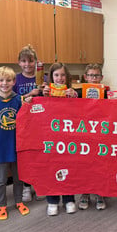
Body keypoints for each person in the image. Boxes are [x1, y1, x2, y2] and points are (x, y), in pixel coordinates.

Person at [0, 66, 30, 220]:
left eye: (8, 80)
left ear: (14, 82)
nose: (5, 83)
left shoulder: (20, 100)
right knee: (1, 181)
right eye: (1, 80)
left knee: (19, 179)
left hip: (18, 147)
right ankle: (2, 206)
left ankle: (19, 201)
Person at [43, 63, 77, 216]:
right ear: (51, 77)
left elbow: (83, 112)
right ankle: (52, 200)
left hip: (68, 136)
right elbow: (35, 108)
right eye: (56, 75)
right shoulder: (45, 91)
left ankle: (69, 199)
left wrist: (75, 97)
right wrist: (42, 96)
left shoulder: (72, 92)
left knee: (69, 167)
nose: (60, 78)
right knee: (51, 168)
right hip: (51, 136)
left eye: (63, 75)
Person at [13, 44, 43, 202]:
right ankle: (26, 186)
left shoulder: (42, 77)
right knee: (26, 156)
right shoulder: (15, 79)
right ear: (19, 62)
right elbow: (11, 100)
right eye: (24, 61)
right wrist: (30, 94)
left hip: (40, 123)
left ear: (36, 62)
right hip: (23, 124)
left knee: (39, 155)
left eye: (31, 61)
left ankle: (38, 184)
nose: (27, 64)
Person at [78, 63, 107, 211]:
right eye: (91, 75)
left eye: (96, 76)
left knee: (99, 165)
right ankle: (85, 193)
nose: (94, 79)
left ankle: (99, 193)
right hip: (84, 135)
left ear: (101, 78)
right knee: (84, 165)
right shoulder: (78, 93)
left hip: (101, 135)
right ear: (85, 77)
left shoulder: (107, 94)